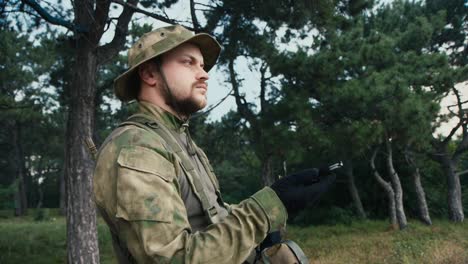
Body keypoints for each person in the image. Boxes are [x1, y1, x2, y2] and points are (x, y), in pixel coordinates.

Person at [92, 24, 336, 264]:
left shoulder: (177, 140)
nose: (204, 74)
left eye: (202, 65)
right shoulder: (138, 146)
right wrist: (262, 212)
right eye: (188, 62)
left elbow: (211, 216)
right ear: (149, 74)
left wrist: (274, 204)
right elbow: (174, 258)